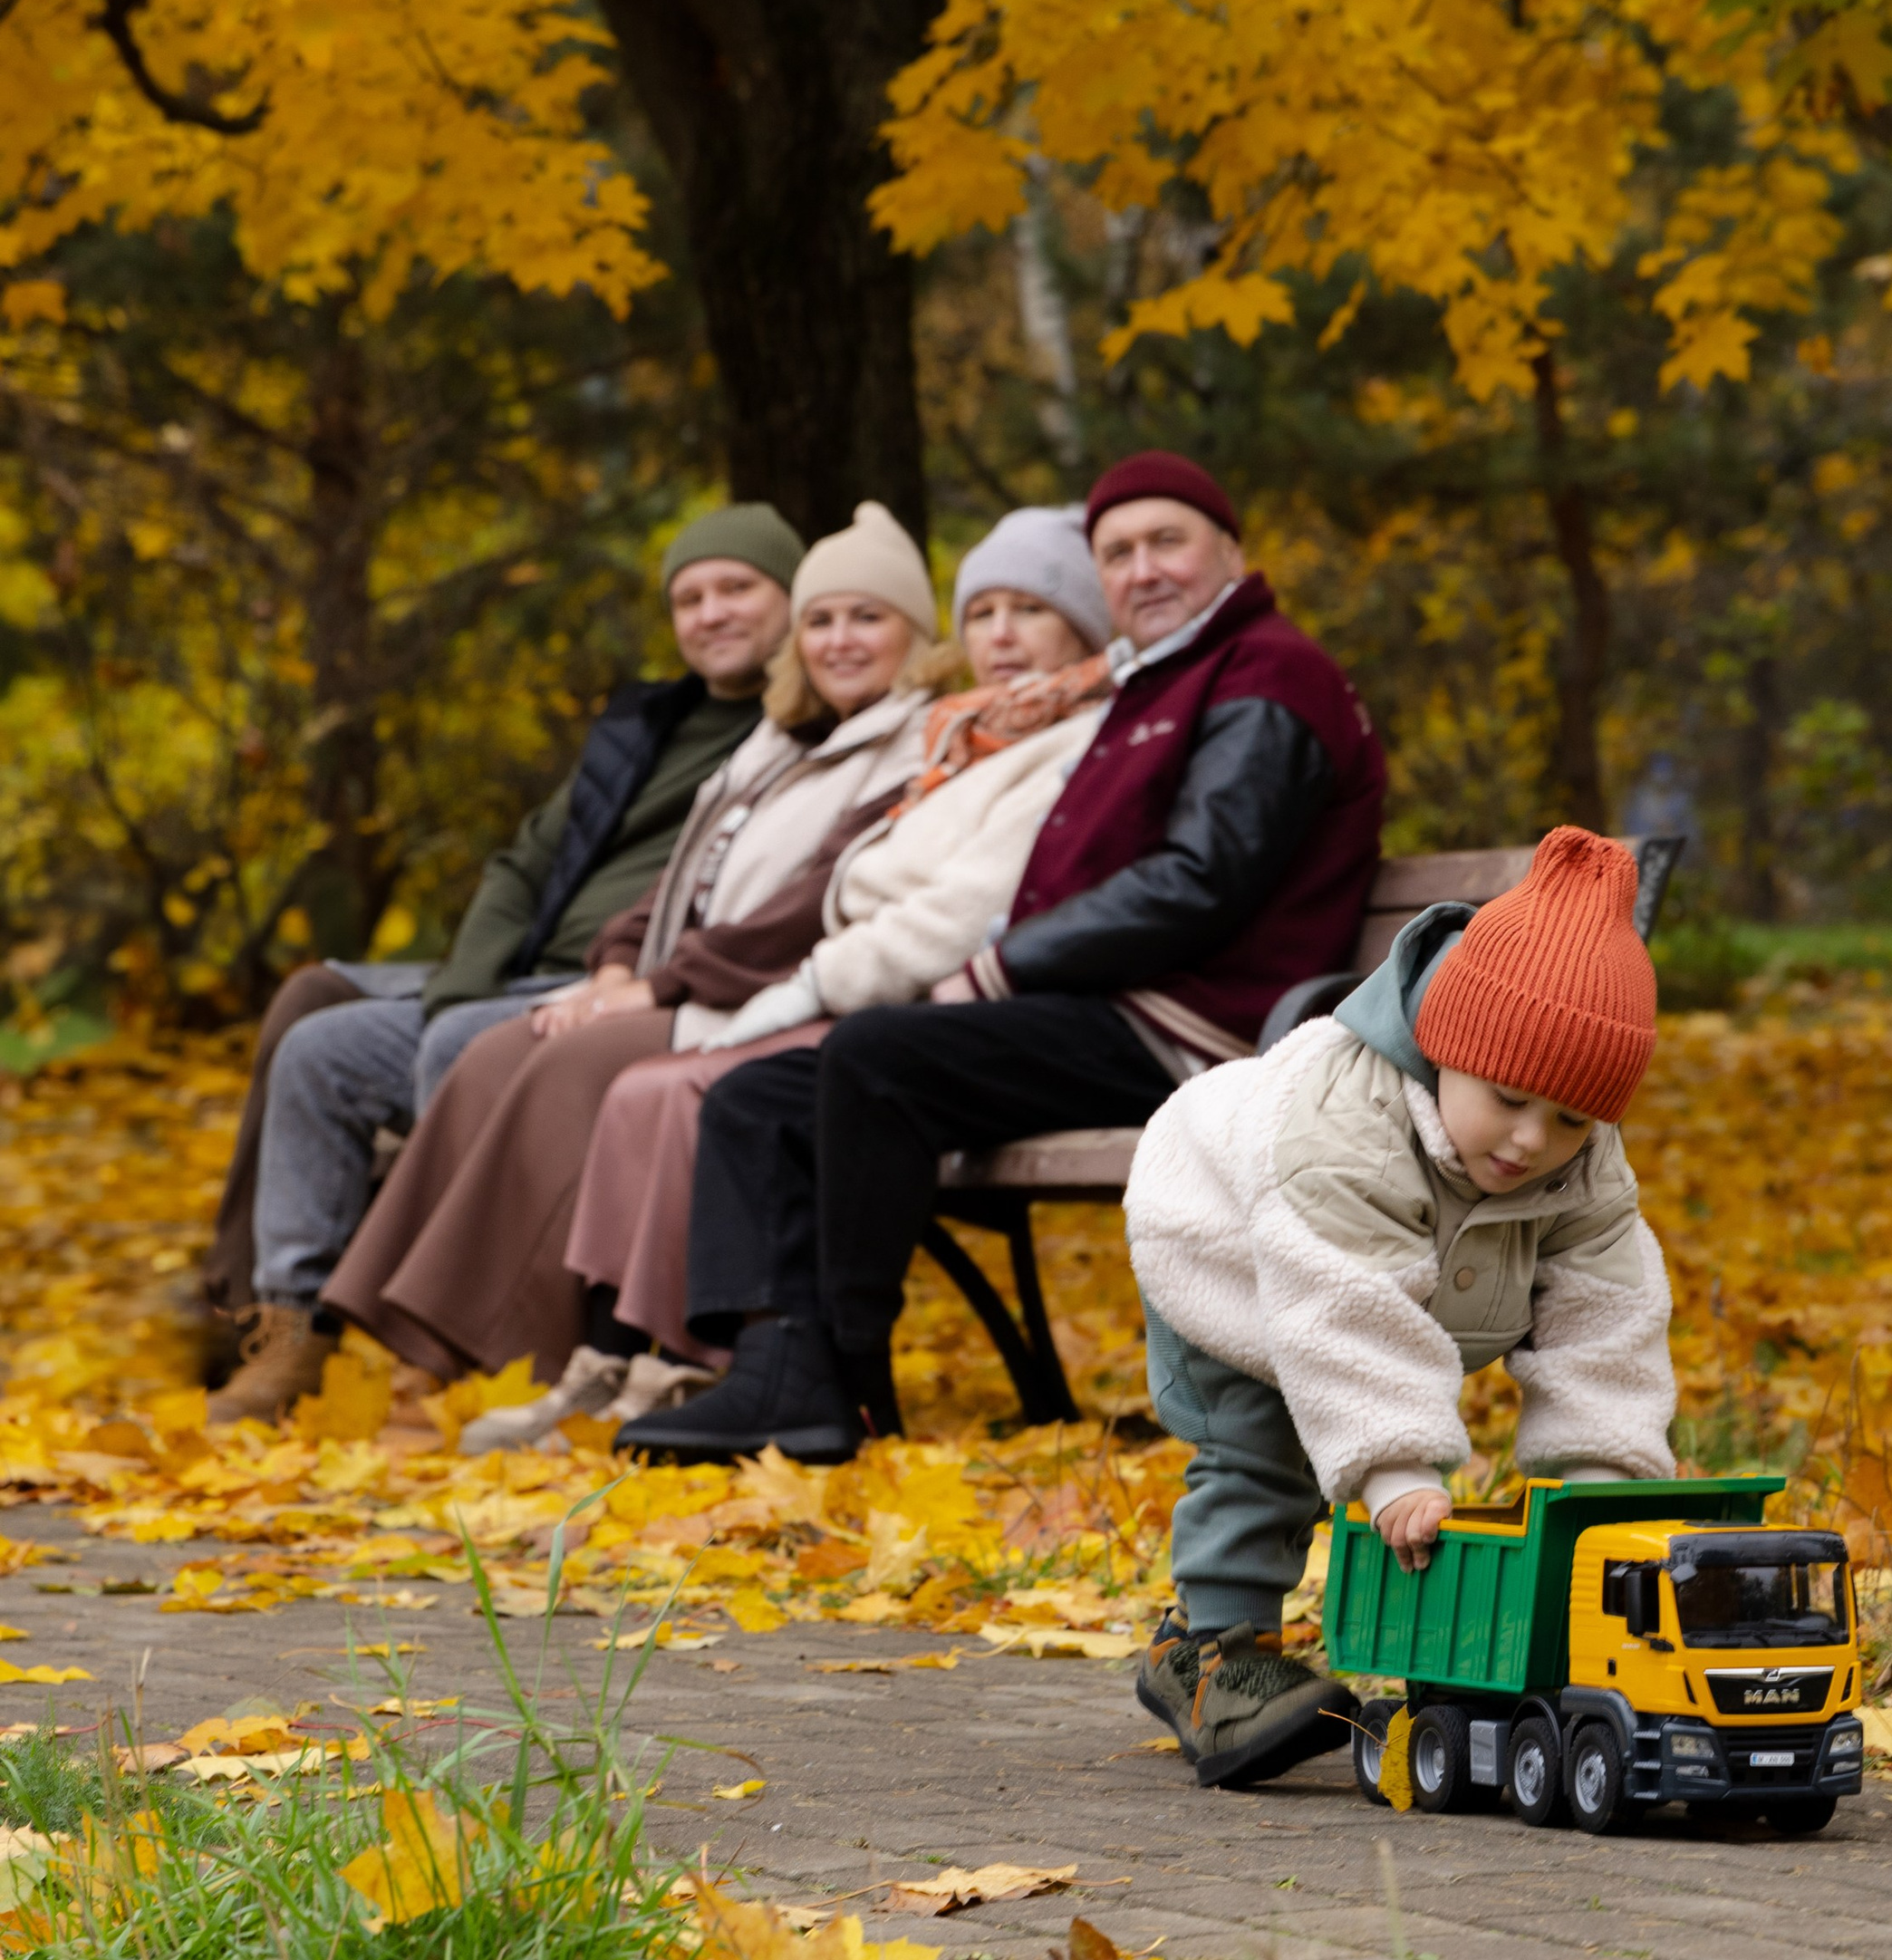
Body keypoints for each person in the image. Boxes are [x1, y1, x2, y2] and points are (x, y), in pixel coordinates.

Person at [618, 448, 1388, 1467]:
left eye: (1168, 541)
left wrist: (1000, 967)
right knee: (756, 1099)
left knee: (878, 1058)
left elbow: (1201, 879)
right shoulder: (1159, 684)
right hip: (1112, 1006)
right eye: (1118, 552)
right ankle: (774, 1367)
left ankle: (844, 1380)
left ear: (1229, 552)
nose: (1143, 568)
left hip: (1199, 1028)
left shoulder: (1269, 672)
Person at [320, 501, 957, 1400]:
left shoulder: (916, 745)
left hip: (784, 1000)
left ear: (917, 633)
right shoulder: (776, 745)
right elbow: (676, 884)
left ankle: (505, 1353)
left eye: (867, 618)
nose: (839, 641)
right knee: (500, 1046)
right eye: (821, 621)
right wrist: (618, 965)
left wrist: (655, 988)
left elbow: (809, 904)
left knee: (568, 1068)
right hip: (701, 988)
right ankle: (421, 1341)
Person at [201, 507, 801, 1427]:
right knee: (319, 1048)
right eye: (689, 596)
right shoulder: (641, 724)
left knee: (459, 1048)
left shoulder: (796, 733)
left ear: (791, 600)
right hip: (523, 980)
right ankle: (292, 1327)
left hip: (629, 995)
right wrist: (462, 990)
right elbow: (524, 862)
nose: (710, 612)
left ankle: (455, 1343)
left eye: (736, 589)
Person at [1118, 825, 1675, 1789]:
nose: (1532, 1141)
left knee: (1577, 1297)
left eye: (1572, 1119)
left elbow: (1606, 1310)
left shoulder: (1580, 1158)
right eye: (1506, 1099)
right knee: (1264, 1449)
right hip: (1230, 1251)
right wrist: (1395, 1471)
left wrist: (1602, 1480)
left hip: (1402, 1276)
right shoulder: (1346, 1130)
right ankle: (1212, 1655)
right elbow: (1347, 1303)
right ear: (1443, 1048)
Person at [540, 506, 1115, 1415]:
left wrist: (787, 991)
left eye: (1029, 610)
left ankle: (705, 1360)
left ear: (1084, 623)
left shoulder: (1076, 739)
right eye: (982, 613)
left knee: (691, 1086)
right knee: (651, 1082)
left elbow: (957, 914)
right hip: (861, 988)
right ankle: (620, 1353)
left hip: (921, 1009)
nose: (1000, 635)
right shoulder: (966, 736)